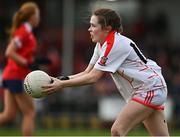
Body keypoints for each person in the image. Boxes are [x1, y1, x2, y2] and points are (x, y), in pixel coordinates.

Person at [42, 8, 169, 136]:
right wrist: (59, 80)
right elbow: (87, 72)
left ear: (107, 28)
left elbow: (93, 77)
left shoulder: (113, 44)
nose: (89, 29)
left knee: (117, 131)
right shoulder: (101, 44)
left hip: (149, 88)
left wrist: (61, 85)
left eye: (93, 25)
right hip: (150, 87)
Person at [0, 2, 40, 136]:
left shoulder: (26, 31)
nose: (39, 18)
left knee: (9, 114)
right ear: (31, 17)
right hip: (15, 75)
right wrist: (27, 63)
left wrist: (33, 61)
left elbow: (21, 53)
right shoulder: (24, 31)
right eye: (37, 15)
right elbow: (9, 52)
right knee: (30, 112)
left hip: (10, 75)